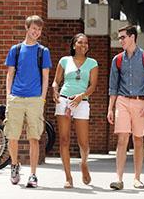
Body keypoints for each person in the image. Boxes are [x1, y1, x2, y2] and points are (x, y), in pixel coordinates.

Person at [107, 25, 144, 190]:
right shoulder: (118, 60)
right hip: (122, 101)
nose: (120, 40)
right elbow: (113, 87)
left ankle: (137, 178)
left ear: (132, 37)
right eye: (119, 37)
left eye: (123, 37)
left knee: (138, 139)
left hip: (141, 102)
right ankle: (118, 178)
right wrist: (110, 108)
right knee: (122, 139)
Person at [4, 15, 52, 188]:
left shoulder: (43, 52)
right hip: (16, 97)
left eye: (39, 30)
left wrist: (42, 98)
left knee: (34, 137)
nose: (36, 32)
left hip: (35, 100)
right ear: (26, 28)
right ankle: (14, 165)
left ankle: (33, 175)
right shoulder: (15, 50)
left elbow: (46, 77)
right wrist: (9, 95)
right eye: (34, 28)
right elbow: (10, 73)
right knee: (12, 136)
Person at [52, 33, 99, 188]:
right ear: (73, 45)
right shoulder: (64, 61)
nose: (83, 45)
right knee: (64, 140)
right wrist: (54, 90)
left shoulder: (92, 63)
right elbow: (56, 81)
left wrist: (81, 96)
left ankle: (84, 163)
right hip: (64, 100)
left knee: (83, 143)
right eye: (80, 42)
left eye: (86, 43)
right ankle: (68, 177)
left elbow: (92, 86)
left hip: (82, 101)